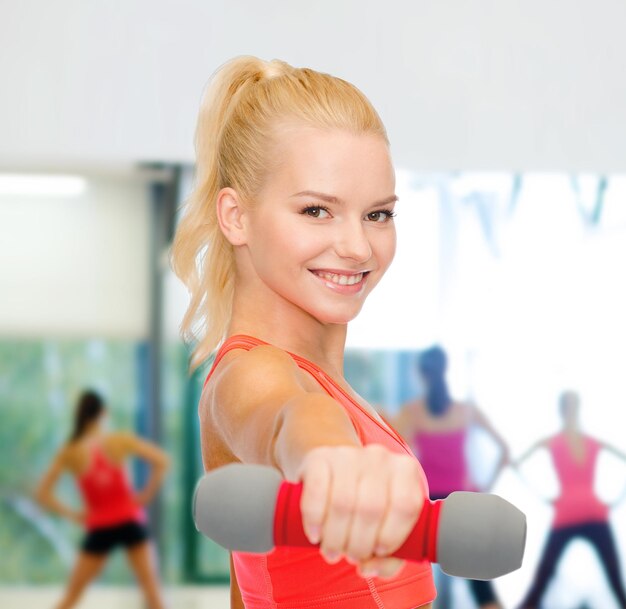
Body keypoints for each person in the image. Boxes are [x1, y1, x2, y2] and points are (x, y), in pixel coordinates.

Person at [171, 56, 437, 609]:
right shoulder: (251, 373)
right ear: (235, 216)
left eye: (378, 215)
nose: (359, 247)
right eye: (317, 210)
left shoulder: (336, 387)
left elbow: (254, 587)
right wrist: (327, 459)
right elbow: (289, 418)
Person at [393, 345, 509, 609]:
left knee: (410, 589)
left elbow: (393, 457)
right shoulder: (466, 410)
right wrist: (484, 488)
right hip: (463, 504)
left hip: (429, 509)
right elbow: (504, 450)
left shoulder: (411, 412)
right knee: (482, 591)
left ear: (422, 375)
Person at [35, 389, 170, 609]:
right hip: (130, 521)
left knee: (70, 598)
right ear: (103, 412)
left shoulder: (70, 451)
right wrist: (145, 495)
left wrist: (74, 514)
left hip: (100, 527)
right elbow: (162, 460)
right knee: (153, 594)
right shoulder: (119, 440)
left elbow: (43, 493)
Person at [514, 390, 626, 609]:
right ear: (566, 409)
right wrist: (543, 497)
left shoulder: (585, 441)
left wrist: (617, 500)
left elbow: (516, 464)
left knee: (614, 581)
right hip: (573, 514)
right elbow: (516, 464)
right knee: (541, 581)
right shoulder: (561, 441)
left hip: (587, 514)